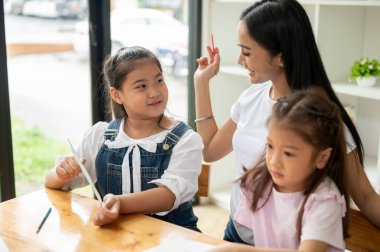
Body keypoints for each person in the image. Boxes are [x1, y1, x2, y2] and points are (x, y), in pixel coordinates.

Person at [194, 0, 380, 244]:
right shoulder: (252, 97)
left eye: (247, 52)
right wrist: (201, 83)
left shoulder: (319, 118)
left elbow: (365, 197)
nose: (240, 59)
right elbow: (210, 150)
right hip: (236, 232)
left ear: (281, 57)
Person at [45, 46, 203, 231]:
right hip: (116, 234)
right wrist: (61, 174)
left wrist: (119, 203)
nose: (155, 92)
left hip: (173, 235)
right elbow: (53, 184)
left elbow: (168, 197)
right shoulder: (100, 136)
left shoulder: (185, 139)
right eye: (141, 86)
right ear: (117, 95)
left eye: (159, 80)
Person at [213, 89, 349, 252]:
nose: (273, 161)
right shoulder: (259, 182)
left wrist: (237, 250)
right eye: (270, 146)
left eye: (288, 153)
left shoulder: (323, 200)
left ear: (322, 158)